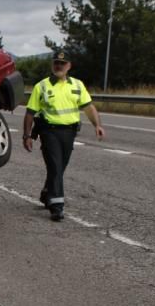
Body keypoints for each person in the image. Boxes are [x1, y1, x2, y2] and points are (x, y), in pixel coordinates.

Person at [22, 49, 105, 222]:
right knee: (56, 167)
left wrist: (97, 125)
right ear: (52, 65)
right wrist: (26, 135)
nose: (59, 66)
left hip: (69, 132)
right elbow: (30, 112)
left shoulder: (77, 85)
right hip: (49, 131)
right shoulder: (42, 86)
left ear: (69, 66)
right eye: (56, 63)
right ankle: (57, 206)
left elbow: (88, 107)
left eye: (62, 63)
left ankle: (47, 192)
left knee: (59, 167)